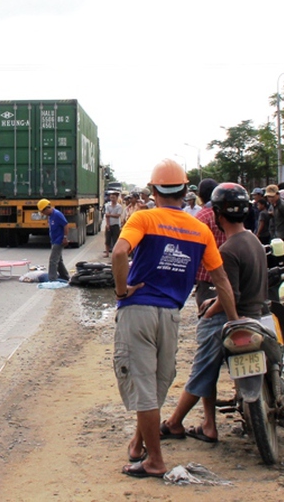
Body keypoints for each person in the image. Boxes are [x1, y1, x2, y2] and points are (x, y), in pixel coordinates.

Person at [112, 159, 237, 479]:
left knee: (143, 384)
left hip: (137, 311)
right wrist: (234, 321)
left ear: (153, 191)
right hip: (171, 315)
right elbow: (221, 281)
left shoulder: (143, 218)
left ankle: (154, 459)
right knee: (158, 382)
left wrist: (122, 290)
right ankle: (139, 443)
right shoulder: (200, 229)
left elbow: (118, 253)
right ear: (185, 190)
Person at [161, 183, 266, 446]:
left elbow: (232, 294)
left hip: (232, 317)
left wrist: (211, 307)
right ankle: (208, 424)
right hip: (257, 314)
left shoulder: (228, 249)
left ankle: (175, 422)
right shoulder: (253, 240)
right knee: (207, 370)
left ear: (218, 214)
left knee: (202, 368)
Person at [193, 179, 226, 306]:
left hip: (207, 277)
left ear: (200, 196)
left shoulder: (201, 217)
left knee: (208, 316)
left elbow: (195, 250)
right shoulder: (226, 213)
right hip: (229, 273)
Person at [37, 199, 70, 282]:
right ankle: (65, 276)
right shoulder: (50, 216)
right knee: (59, 260)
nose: (43, 214)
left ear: (47, 209)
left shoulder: (57, 214)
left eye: (43, 212)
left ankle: (52, 279)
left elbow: (66, 225)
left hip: (59, 240)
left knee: (53, 260)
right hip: (54, 240)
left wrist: (65, 237)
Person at [103, 190, 123, 257]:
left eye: (113, 197)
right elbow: (106, 216)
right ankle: (107, 253)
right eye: (111, 197)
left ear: (117, 198)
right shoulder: (108, 206)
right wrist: (108, 224)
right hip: (109, 225)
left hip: (116, 225)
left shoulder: (119, 206)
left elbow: (118, 216)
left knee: (116, 240)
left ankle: (115, 253)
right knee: (107, 240)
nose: (112, 199)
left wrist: (110, 215)